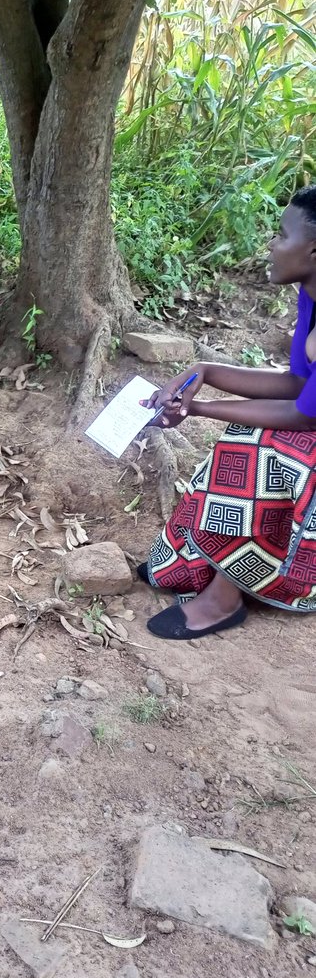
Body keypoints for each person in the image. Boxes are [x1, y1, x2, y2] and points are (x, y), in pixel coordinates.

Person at [140, 184, 316, 640]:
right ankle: (199, 562)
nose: (272, 245)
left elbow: (303, 416)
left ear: (314, 250)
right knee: (245, 438)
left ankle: (226, 596)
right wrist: (205, 371)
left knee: (267, 452)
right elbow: (298, 384)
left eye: (281, 235)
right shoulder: (310, 296)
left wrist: (198, 407)